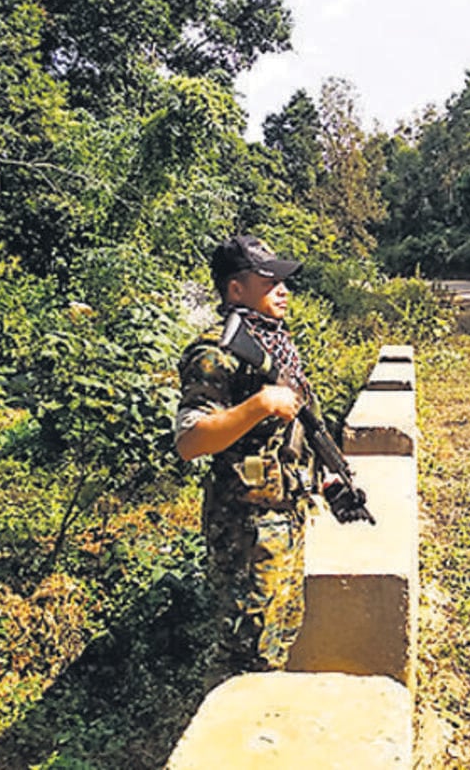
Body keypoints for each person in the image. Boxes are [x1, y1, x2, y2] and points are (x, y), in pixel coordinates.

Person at [174, 234, 319, 683]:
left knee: (282, 635)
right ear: (235, 290)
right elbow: (190, 441)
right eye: (269, 280)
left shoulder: (272, 343)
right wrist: (259, 405)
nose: (283, 289)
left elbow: (299, 428)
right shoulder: (216, 353)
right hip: (246, 530)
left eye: (283, 281)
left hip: (285, 517)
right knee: (247, 654)